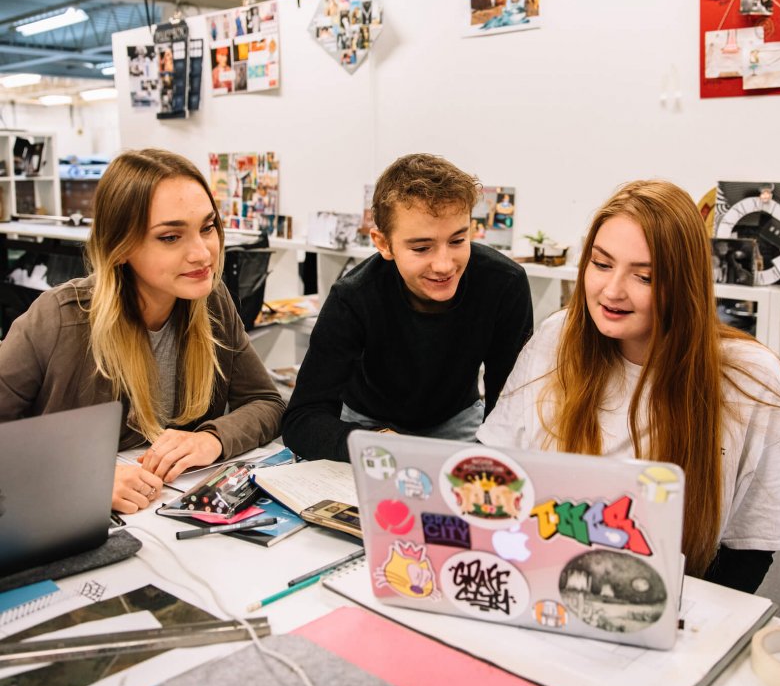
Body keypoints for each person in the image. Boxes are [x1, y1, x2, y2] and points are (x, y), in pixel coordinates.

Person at [477, 180, 780, 593]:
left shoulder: (748, 377)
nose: (612, 291)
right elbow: (496, 466)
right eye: (601, 263)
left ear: (685, 283)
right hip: (544, 585)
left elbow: (750, 546)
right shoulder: (558, 338)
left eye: (644, 277)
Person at [0, 149, 285, 514]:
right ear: (120, 248)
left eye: (207, 227)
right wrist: (81, 476)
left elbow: (267, 403)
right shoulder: (59, 318)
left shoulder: (211, 301)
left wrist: (212, 440)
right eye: (170, 237)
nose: (202, 254)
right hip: (76, 521)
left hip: (168, 517)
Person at [282, 153, 533, 462]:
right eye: (421, 248)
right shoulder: (354, 297)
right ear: (383, 243)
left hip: (457, 421)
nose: (444, 265)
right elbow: (302, 418)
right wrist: (377, 445)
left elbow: (508, 405)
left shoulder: (504, 283)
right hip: (367, 424)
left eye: (458, 240)